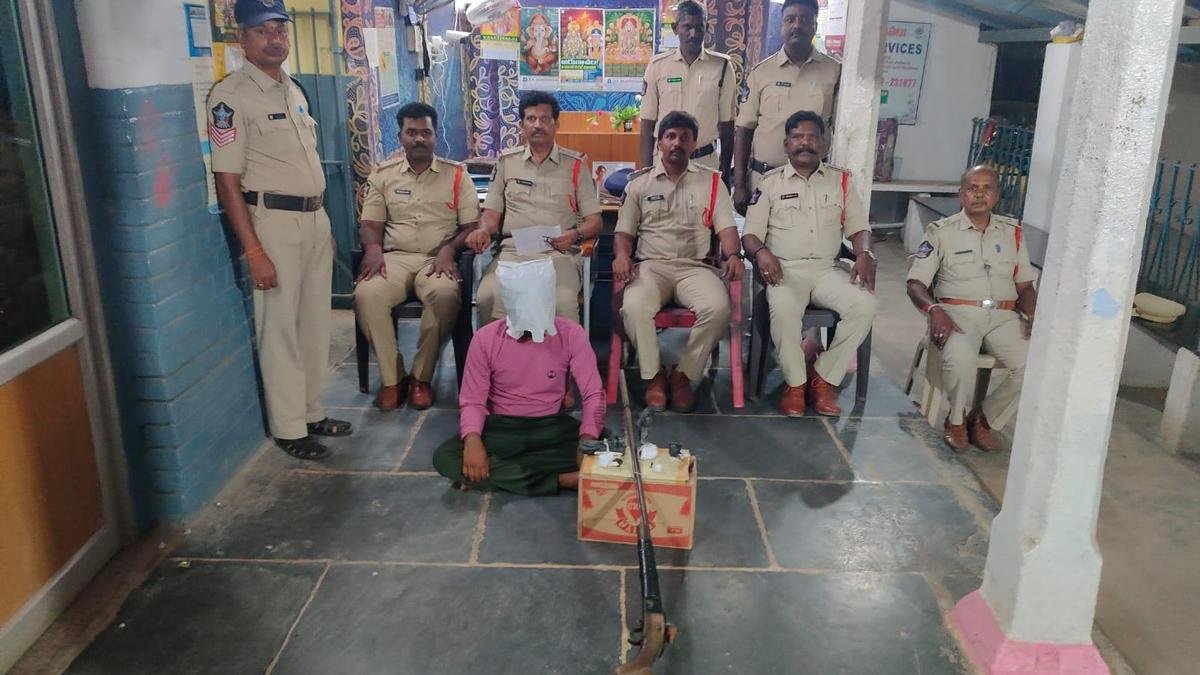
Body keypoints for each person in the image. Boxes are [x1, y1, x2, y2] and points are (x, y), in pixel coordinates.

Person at [208, 0, 352, 460]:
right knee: (280, 327)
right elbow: (227, 181)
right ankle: (290, 427)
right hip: (272, 223)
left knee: (314, 323)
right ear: (242, 38)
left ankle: (310, 411)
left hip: (313, 219)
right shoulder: (231, 97)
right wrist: (253, 250)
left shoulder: (293, 90)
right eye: (262, 30)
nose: (275, 38)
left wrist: (323, 224)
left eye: (280, 29)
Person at [741, 111, 876, 417]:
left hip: (828, 270)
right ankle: (795, 384)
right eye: (798, 137)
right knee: (784, 310)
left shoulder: (841, 181)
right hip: (785, 271)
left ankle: (823, 378)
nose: (805, 143)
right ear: (786, 144)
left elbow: (859, 228)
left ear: (824, 144)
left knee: (865, 306)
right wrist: (761, 252)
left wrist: (864, 253)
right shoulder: (770, 183)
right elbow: (750, 234)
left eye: (813, 137)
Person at [432, 260, 605, 495]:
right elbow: (472, 401)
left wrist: (586, 439)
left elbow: (593, 394)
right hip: (502, 428)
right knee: (445, 458)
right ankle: (561, 480)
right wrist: (473, 440)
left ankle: (495, 473)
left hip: (551, 427)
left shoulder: (571, 334)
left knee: (606, 444)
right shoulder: (485, 339)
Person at [614, 111, 744, 412]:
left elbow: (727, 229)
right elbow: (624, 232)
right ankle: (654, 376)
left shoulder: (712, 182)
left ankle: (684, 374)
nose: (677, 143)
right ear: (659, 142)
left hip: (695, 267)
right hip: (651, 266)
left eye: (684, 138)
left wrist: (733, 255)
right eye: (670, 137)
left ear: (694, 144)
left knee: (718, 308)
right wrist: (621, 255)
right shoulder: (640, 183)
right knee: (633, 307)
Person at [353, 102, 479, 411]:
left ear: (435, 136)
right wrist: (372, 249)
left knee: (445, 295)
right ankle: (393, 379)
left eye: (425, 132)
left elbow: (471, 226)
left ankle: (421, 377)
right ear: (401, 136)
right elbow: (370, 224)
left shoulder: (456, 176)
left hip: (437, 259)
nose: (419, 139)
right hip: (394, 258)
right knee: (367, 294)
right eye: (412, 133)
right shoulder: (383, 176)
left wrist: (449, 249)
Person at [906, 166, 1038, 452]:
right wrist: (934, 310)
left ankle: (984, 420)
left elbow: (1025, 286)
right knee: (960, 355)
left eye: (986, 188)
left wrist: (1032, 315)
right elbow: (915, 283)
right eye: (972, 188)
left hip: (1004, 316)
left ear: (997, 195)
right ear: (960, 195)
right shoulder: (941, 232)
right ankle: (956, 420)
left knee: (1037, 363)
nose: (979, 194)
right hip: (957, 314)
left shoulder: (1013, 233)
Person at [468, 91, 602, 324]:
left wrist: (575, 235)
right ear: (522, 125)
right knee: (487, 296)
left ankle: (560, 350)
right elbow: (491, 216)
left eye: (545, 119)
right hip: (513, 251)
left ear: (556, 124)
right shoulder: (506, 163)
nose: (538, 125)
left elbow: (595, 221)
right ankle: (502, 350)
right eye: (531, 119)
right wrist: (483, 230)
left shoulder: (575, 165)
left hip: (559, 254)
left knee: (562, 301)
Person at [733, 0, 840, 215]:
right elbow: (744, 130)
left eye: (804, 20)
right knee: (760, 235)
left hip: (813, 183)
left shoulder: (834, 72)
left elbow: (841, 130)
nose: (797, 25)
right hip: (764, 180)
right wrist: (740, 185)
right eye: (790, 20)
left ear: (815, 25)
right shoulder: (762, 72)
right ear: (781, 25)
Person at [638, 0, 735, 177]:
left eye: (699, 27)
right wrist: (645, 174)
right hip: (664, 164)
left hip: (705, 164)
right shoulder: (657, 66)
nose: (693, 34)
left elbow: (727, 126)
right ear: (676, 28)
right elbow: (647, 125)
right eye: (687, 27)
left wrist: (726, 174)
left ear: (707, 28)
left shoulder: (722, 67)